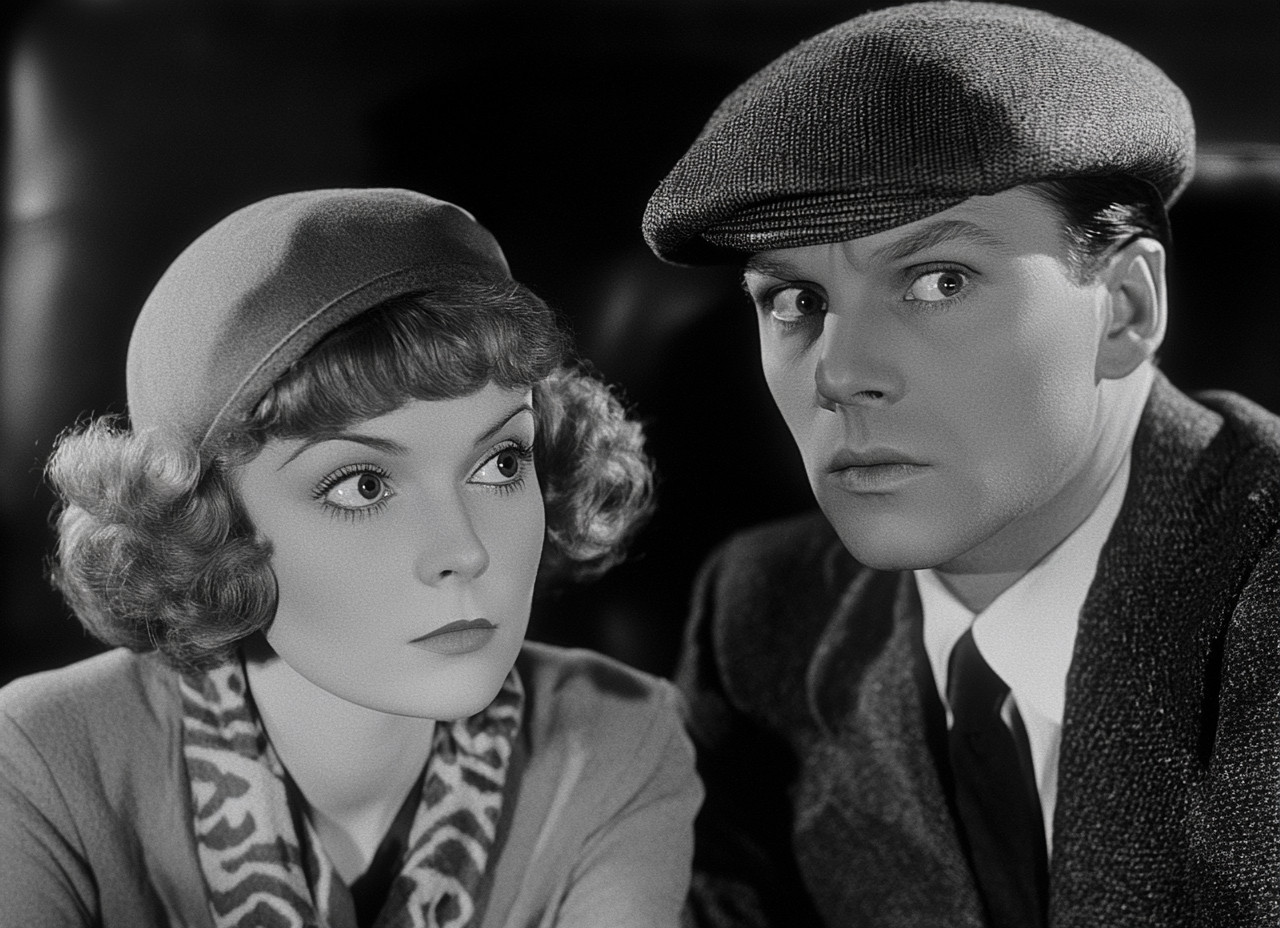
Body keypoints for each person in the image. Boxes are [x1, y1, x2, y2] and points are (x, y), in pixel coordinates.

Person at [642, 3, 1280, 927]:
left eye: (938, 280)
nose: (843, 374)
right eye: (795, 298)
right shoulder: (763, 618)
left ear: (1127, 309)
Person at [0, 187, 700, 928]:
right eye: (364, 484)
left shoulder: (618, 739)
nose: (463, 551)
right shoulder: (43, 763)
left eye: (500, 463)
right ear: (203, 522)